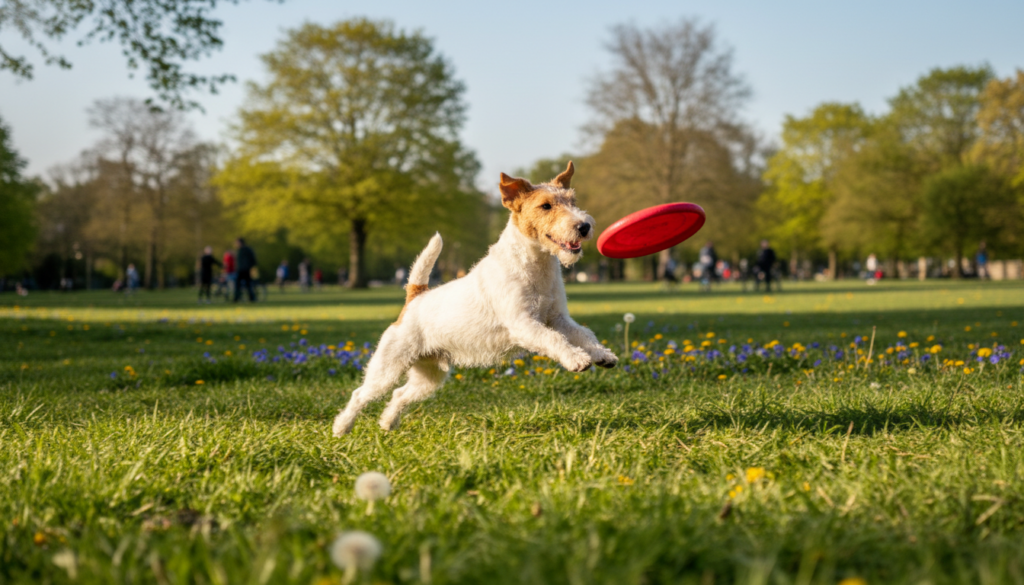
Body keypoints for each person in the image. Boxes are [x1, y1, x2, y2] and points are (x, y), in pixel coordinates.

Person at [233, 238, 258, 303]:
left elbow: (252, 260)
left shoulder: (244, 250)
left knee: (240, 284)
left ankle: (237, 298)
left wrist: (248, 267)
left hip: (244, 270)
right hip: (244, 270)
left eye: (237, 243)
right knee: (247, 285)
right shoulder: (244, 250)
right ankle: (251, 298)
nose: (236, 244)